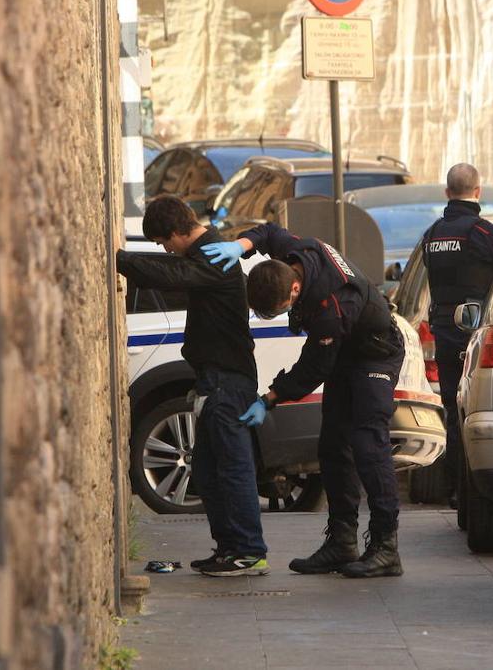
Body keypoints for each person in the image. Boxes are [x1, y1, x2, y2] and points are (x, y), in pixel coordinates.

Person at [201, 224, 406, 578]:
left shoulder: (332, 305)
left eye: (280, 310)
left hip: (376, 354)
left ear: (295, 289)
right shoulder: (295, 254)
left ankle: (386, 547)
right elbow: (266, 233)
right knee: (331, 445)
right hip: (345, 354)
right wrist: (240, 246)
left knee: (367, 444)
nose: (280, 316)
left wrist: (269, 399)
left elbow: (313, 369)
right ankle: (342, 542)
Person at [115, 194, 269, 577]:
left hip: (227, 381)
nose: (166, 249)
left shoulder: (216, 255)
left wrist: (119, 259)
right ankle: (229, 546)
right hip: (214, 380)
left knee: (232, 470)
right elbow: (174, 267)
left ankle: (249, 550)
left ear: (176, 232)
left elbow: (174, 276)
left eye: (164, 241)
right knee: (208, 472)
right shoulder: (204, 253)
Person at [420, 163, 493, 502]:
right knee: (475, 411)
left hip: (443, 335)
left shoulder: (431, 235)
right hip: (476, 336)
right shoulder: (482, 233)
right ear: (478, 192)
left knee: (451, 409)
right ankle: (471, 488)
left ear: (447, 193)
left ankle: (454, 488)